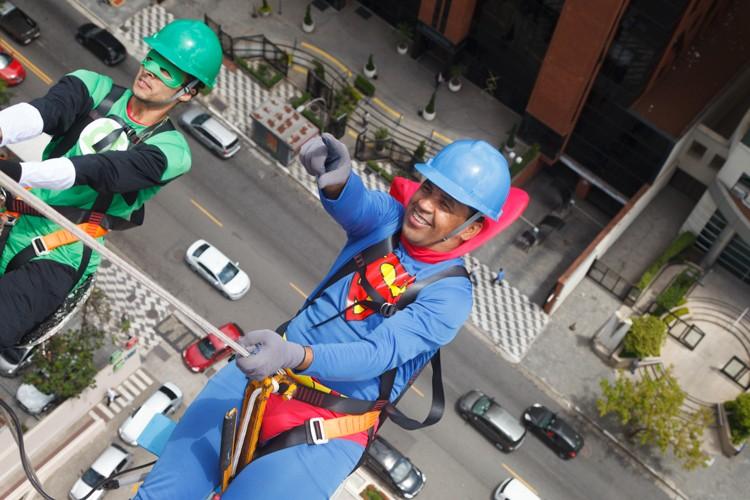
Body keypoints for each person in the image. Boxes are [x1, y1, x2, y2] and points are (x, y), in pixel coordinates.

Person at [134, 135, 528, 500]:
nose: (425, 204)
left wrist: (294, 355)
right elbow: (358, 206)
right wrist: (337, 180)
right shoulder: (387, 220)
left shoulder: (450, 295)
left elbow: (377, 353)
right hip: (264, 377)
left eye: (446, 205)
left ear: (470, 229)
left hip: (329, 425)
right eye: (428, 189)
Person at [0, 19, 222, 348]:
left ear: (188, 91)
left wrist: (17, 173)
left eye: (168, 70)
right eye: (152, 58)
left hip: (62, 253)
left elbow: (100, 169)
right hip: (16, 219)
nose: (150, 70)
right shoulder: (93, 86)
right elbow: (44, 112)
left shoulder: (171, 153)